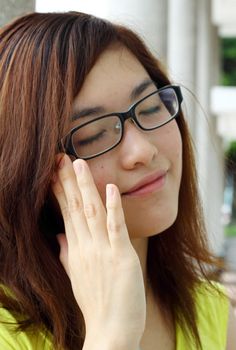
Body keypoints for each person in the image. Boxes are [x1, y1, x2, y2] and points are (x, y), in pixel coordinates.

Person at [0, 11, 235, 350]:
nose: (142, 150)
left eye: (152, 107)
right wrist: (111, 336)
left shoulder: (210, 311)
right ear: (29, 171)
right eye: (94, 135)